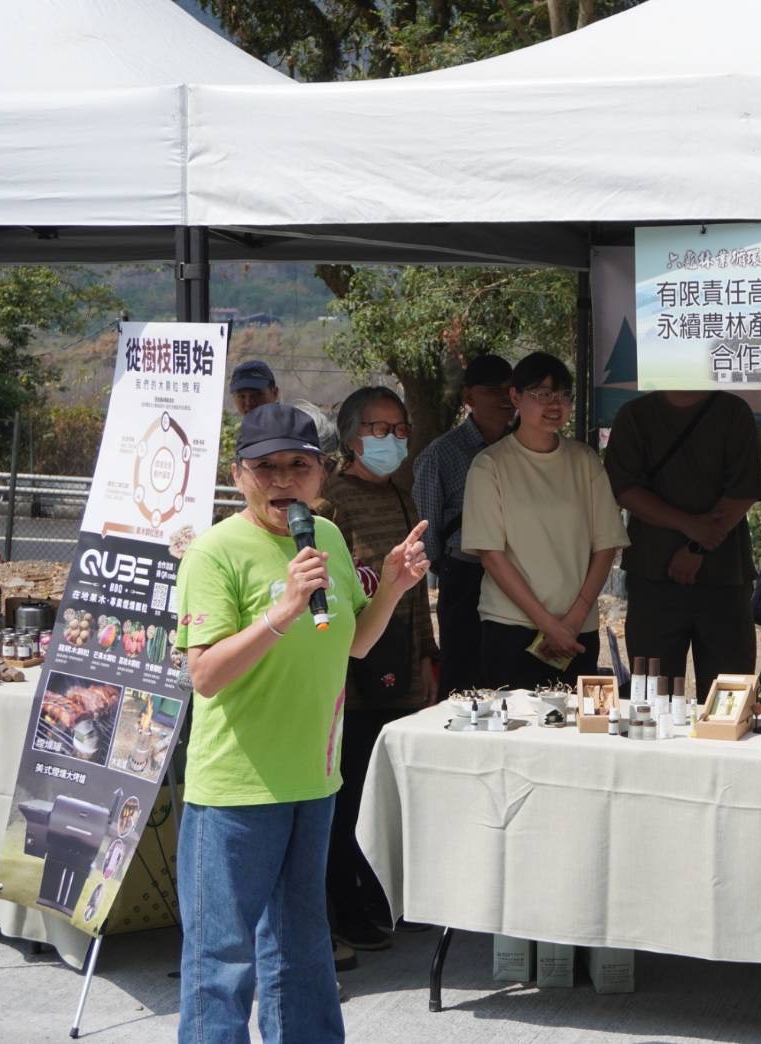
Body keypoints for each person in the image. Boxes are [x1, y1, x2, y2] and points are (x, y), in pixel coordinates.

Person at [173, 403, 429, 1044]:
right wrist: (282, 609)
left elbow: (354, 644)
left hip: (314, 780)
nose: (283, 480)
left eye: (299, 465)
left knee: (303, 949)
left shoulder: (328, 539)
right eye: (266, 467)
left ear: (321, 473)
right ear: (238, 475)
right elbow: (205, 674)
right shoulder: (214, 553)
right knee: (221, 960)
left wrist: (392, 587)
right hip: (236, 788)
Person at [314, 387, 438, 954]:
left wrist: (428, 655)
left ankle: (382, 896)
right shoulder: (330, 503)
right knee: (347, 798)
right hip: (349, 674)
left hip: (402, 669)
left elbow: (413, 591)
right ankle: (345, 909)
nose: (391, 439)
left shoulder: (403, 498)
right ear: (350, 436)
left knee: (385, 792)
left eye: (399, 428)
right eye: (378, 428)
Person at [462, 352, 628, 689]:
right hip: (511, 627)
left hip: (577, 630)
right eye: (542, 394)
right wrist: (548, 625)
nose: (554, 404)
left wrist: (575, 619)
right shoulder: (489, 465)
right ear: (515, 397)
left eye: (563, 395)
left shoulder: (585, 461)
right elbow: (492, 555)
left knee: (575, 721)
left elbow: (606, 545)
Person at [604, 390, 761, 700]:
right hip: (653, 577)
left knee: (728, 698)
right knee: (652, 697)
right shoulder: (635, 414)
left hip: (724, 578)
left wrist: (696, 546)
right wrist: (690, 527)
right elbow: (622, 490)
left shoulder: (733, 411)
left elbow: (744, 491)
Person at [411, 354, 515, 692]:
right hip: (466, 575)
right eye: (493, 390)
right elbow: (427, 530)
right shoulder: (441, 453)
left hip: (523, 574)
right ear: (469, 397)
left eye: (510, 390)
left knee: (512, 672)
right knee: (464, 674)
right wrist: (451, 569)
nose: (505, 399)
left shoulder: (528, 448)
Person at [230, 359, 339, 458]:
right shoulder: (244, 434)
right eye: (241, 396)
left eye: (257, 394)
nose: (249, 402)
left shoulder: (297, 426)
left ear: (274, 393)